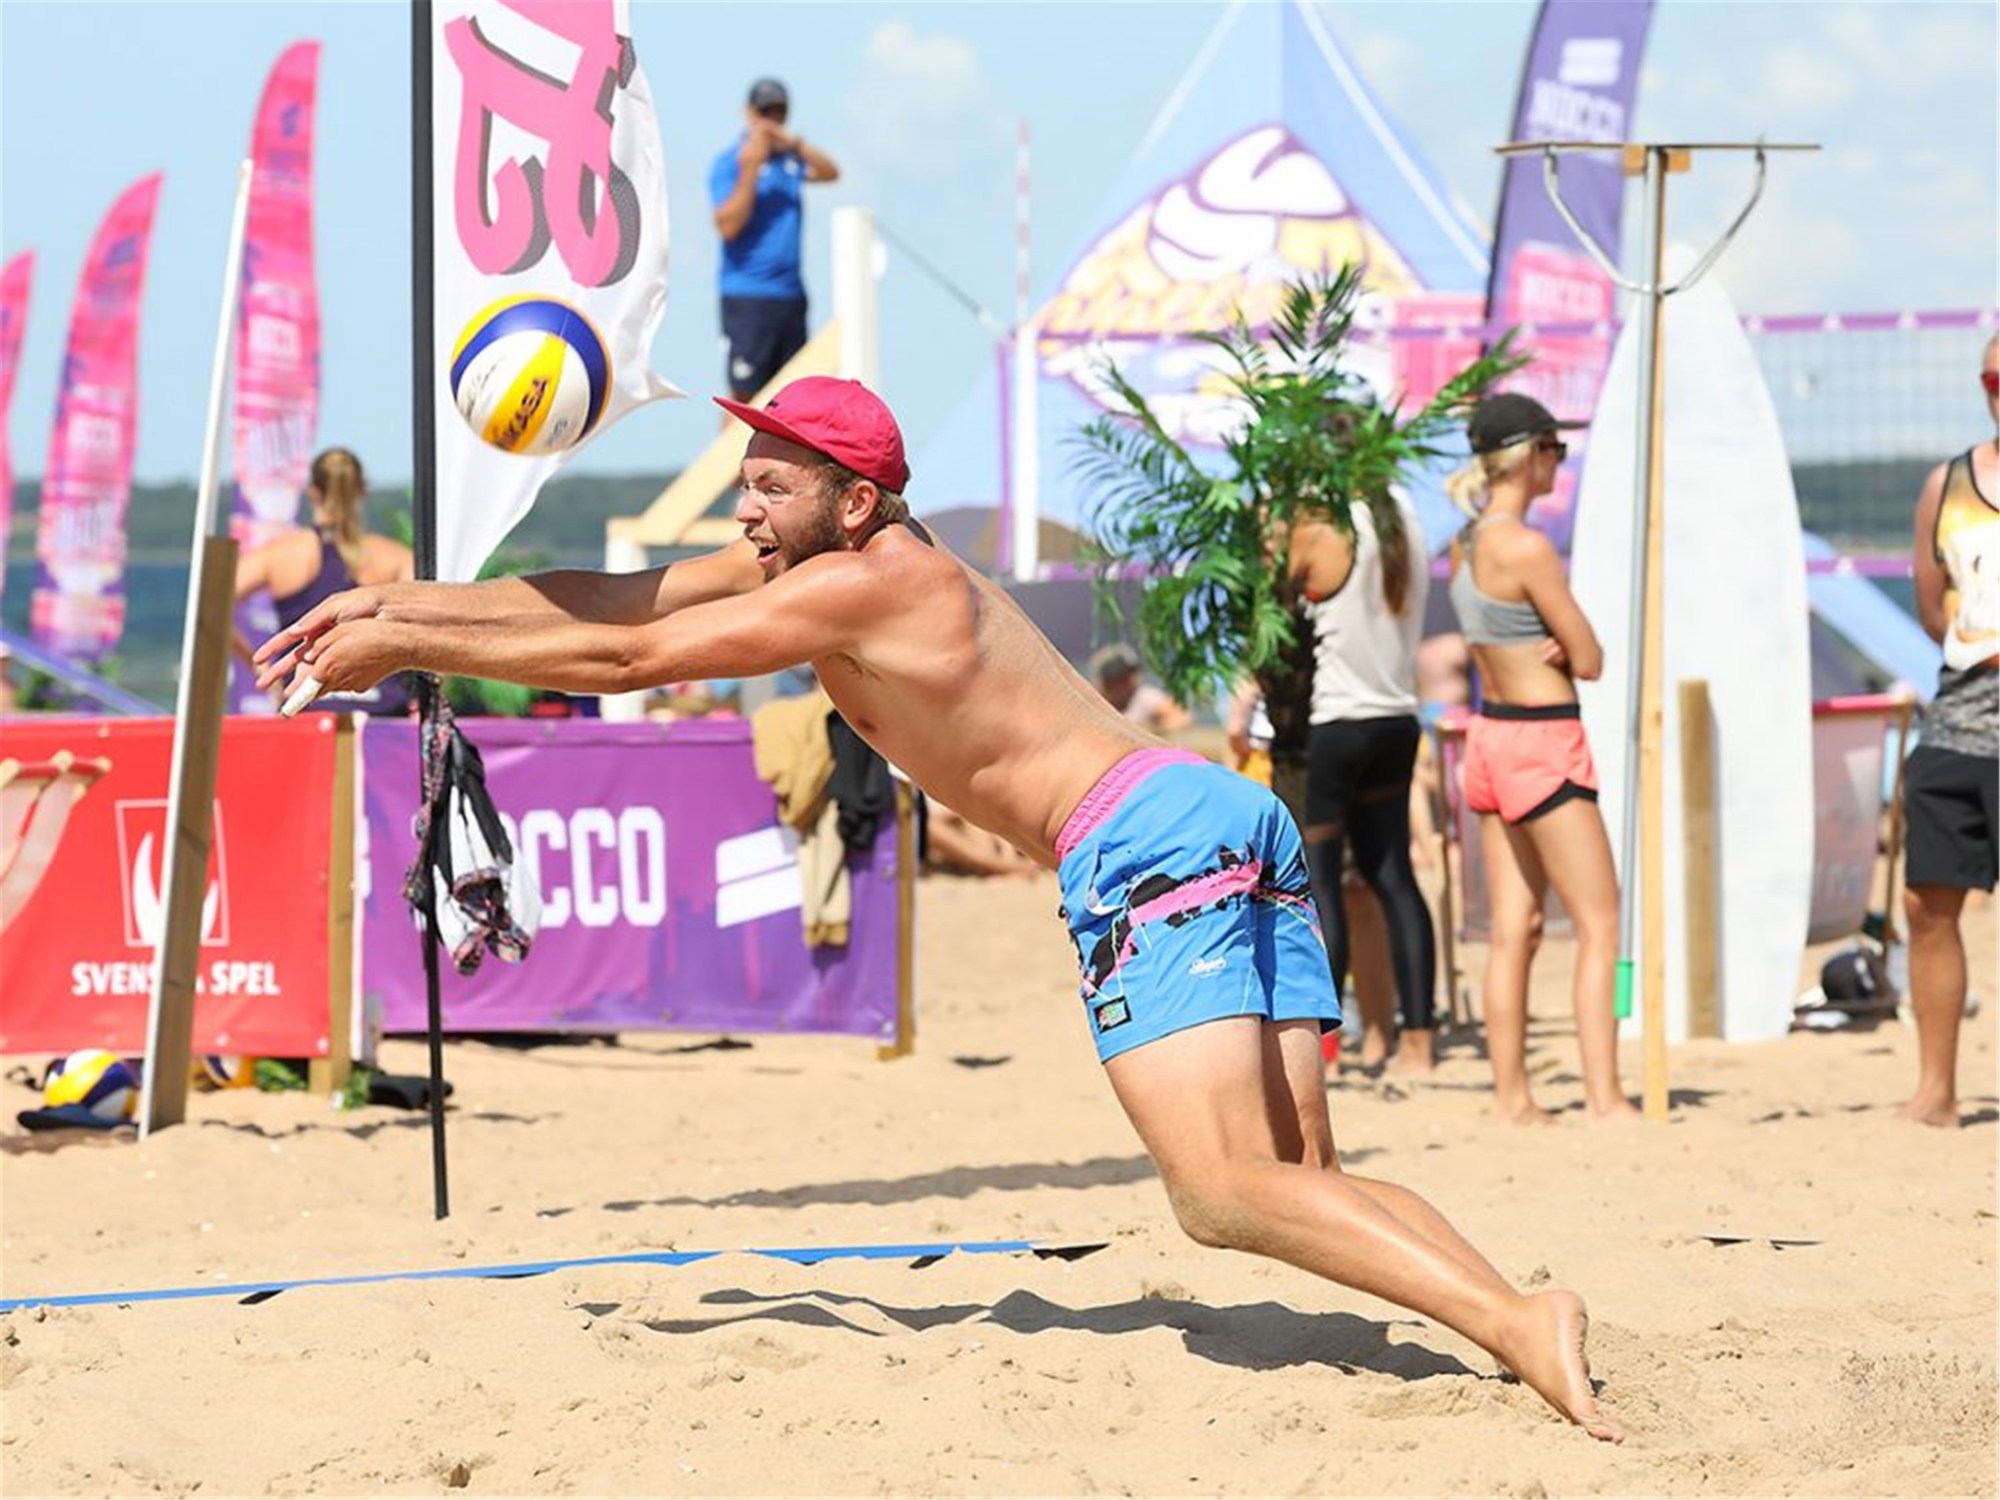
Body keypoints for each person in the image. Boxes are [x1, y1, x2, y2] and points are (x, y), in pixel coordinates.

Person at [256, 375, 1619, 1441]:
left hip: (1140, 841)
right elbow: (615, 596)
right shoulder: (833, 564)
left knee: (1220, 1196)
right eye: (744, 480)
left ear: (853, 502)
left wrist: (408, 643)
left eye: (770, 485)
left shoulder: (871, 582)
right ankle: (1513, 1315)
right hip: (1204, 809)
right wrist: (396, 601)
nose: (744, 507)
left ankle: (1518, 1320)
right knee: (1295, 1178)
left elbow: (629, 655)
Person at [1444, 393, 1638, 1125]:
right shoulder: (1525, 548)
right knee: (1600, 923)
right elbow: (1589, 657)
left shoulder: (1466, 544)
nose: (1561, 461)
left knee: (1513, 929)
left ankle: (1513, 1099)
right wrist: (1566, 641)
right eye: (1555, 448)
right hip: (1543, 740)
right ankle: (1605, 1096)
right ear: (1529, 455)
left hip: (1489, 738)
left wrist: (1553, 638)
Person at [1288, 485, 1440, 1076]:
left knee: (1321, 884)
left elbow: (1282, 596)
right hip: (1397, 719)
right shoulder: (1405, 514)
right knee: (1395, 879)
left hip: (1338, 724)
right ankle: (1419, 1044)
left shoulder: (1325, 526)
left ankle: (1326, 1055)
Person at [1897, 334, 1999, 1128]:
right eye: (1994, 378)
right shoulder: (1949, 482)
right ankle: (1936, 1093)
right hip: (1959, 716)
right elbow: (1933, 611)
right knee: (1926, 905)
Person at [233, 447, 416, 716]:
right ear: (362, 491)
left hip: (306, 706)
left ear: (313, 492)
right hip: (382, 708)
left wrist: (259, 666)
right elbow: (425, 623)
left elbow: (211, 605)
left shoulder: (281, 554)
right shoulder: (395, 557)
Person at [710, 78, 841, 403]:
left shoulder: (790, 161)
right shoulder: (730, 162)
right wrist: (751, 168)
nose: (771, 121)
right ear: (749, 112)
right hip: (748, 295)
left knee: (794, 396)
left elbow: (830, 172)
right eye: (765, 112)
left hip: (790, 295)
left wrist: (793, 142)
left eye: (779, 113)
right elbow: (728, 226)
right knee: (744, 395)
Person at [1090, 643, 1191, 734]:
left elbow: (1181, 717)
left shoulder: (1143, 698)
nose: (1122, 684)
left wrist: (1149, 731)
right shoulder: (1093, 704)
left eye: (1126, 677)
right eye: (1117, 678)